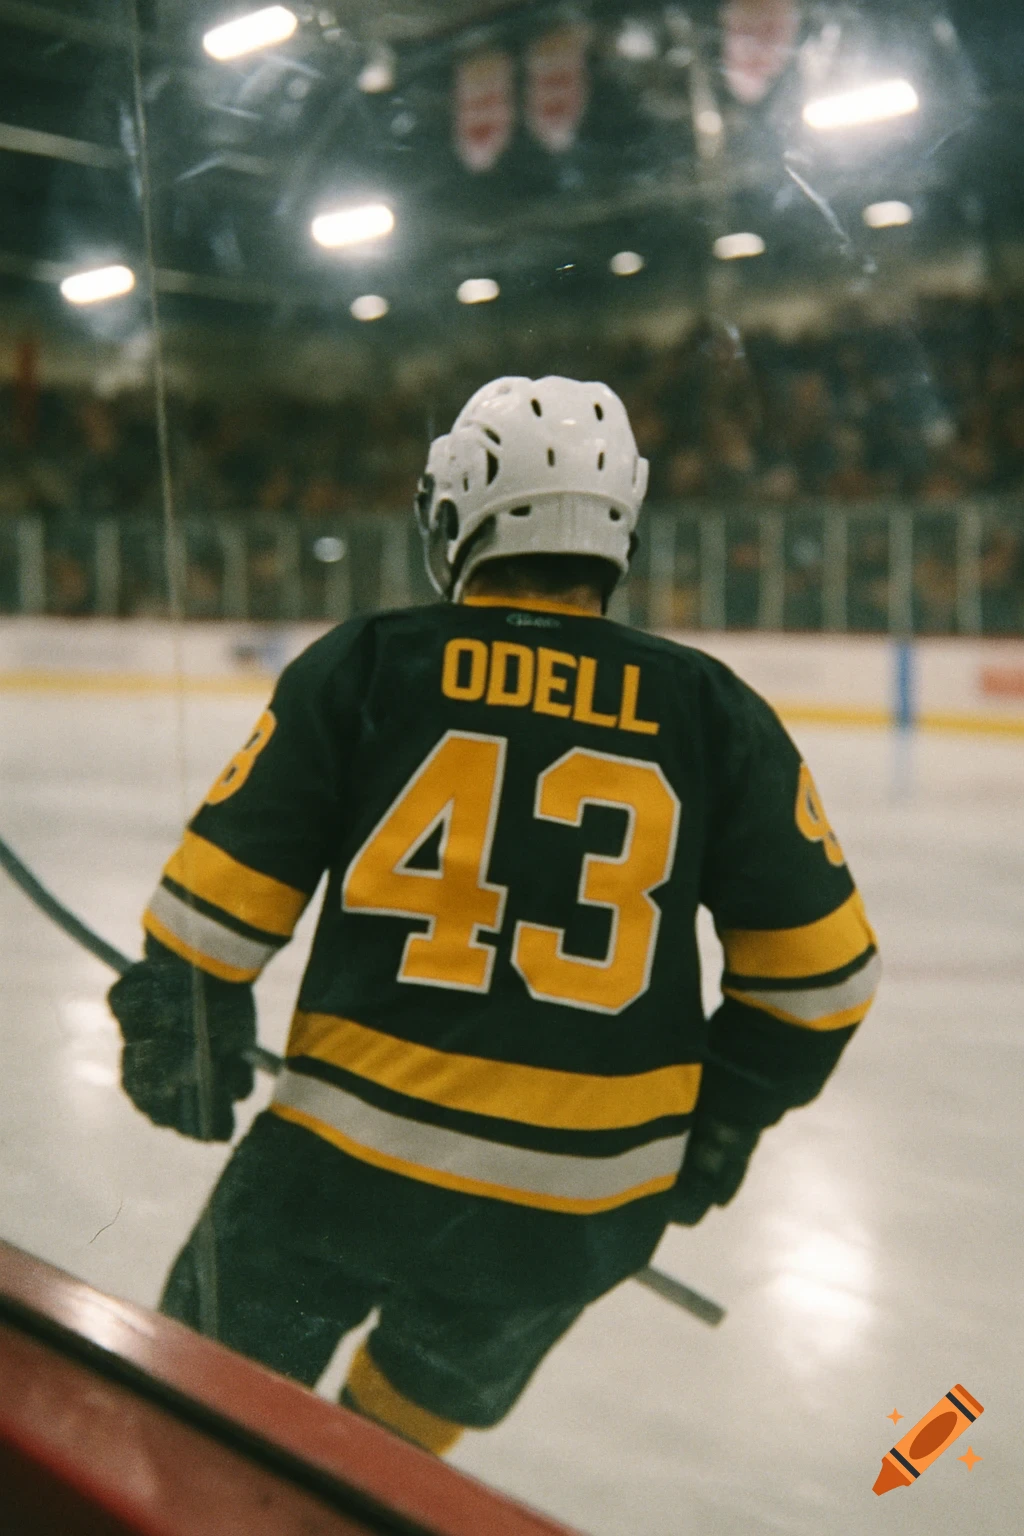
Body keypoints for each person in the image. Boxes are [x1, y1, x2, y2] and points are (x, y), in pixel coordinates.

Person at [108, 375, 879, 1455]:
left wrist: (179, 1020)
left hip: (341, 1168)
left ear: (456, 508)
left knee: (197, 1427)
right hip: (573, 1207)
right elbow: (821, 980)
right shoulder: (716, 712)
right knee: (387, 1456)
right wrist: (725, 1116)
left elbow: (213, 911)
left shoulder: (369, 664)